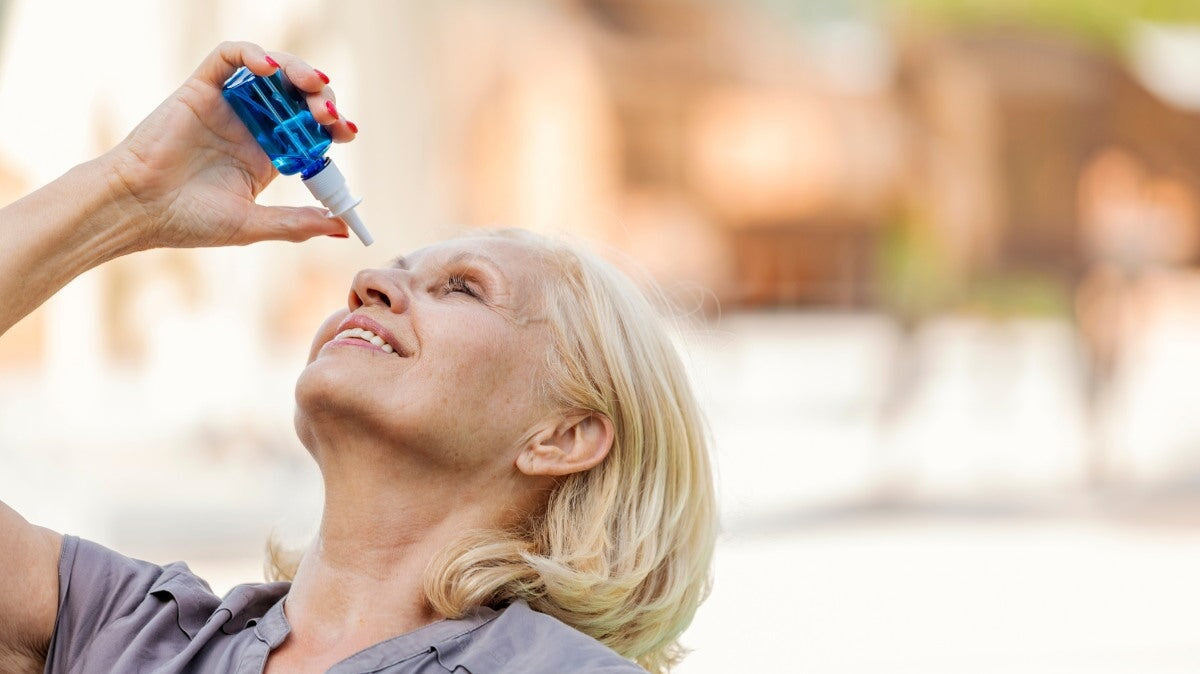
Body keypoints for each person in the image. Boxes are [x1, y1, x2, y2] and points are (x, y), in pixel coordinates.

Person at [0, 42, 716, 673]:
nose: (367, 282)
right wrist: (128, 194)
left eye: (463, 288)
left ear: (562, 436)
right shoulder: (130, 632)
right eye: (393, 271)